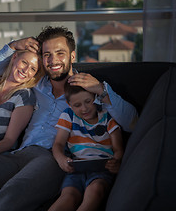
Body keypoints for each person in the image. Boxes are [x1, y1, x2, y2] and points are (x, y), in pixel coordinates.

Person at [0, 26, 138, 211]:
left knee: (6, 200)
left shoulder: (87, 91)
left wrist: (103, 91)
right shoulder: (35, 83)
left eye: (60, 53)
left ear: (72, 56)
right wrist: (13, 46)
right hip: (18, 155)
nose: (53, 60)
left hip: (52, 159)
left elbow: (132, 123)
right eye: (47, 54)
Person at [48, 82, 123, 211]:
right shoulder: (68, 115)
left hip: (102, 169)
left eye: (88, 101)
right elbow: (58, 144)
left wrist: (117, 162)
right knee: (68, 196)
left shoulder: (107, 116)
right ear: (69, 105)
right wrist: (61, 159)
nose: (84, 109)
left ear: (95, 97)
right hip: (77, 168)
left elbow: (118, 149)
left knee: (95, 190)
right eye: (77, 105)